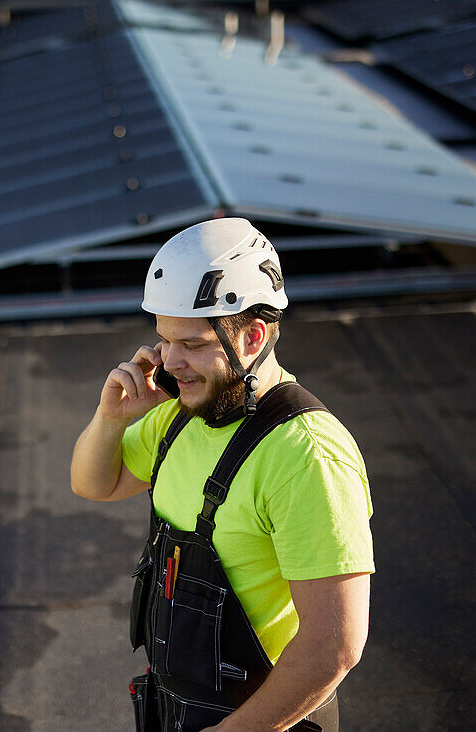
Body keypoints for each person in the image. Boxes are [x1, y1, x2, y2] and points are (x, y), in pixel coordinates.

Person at [70, 219, 373, 732]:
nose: (169, 362)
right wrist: (112, 417)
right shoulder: (180, 414)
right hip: (176, 710)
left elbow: (334, 646)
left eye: (191, 344)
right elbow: (94, 484)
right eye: (164, 340)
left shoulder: (307, 457)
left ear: (253, 337)